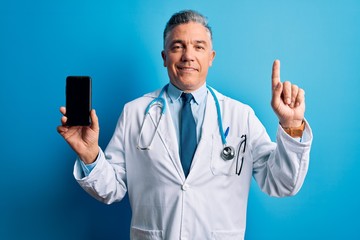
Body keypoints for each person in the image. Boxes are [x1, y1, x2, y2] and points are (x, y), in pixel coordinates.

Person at [57, 10, 313, 240]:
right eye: (178, 46)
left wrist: (291, 127)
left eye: (198, 47)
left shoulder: (240, 115)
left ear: (211, 57)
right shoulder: (135, 113)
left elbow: (281, 183)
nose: (188, 56)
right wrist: (89, 155)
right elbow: (111, 189)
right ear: (164, 56)